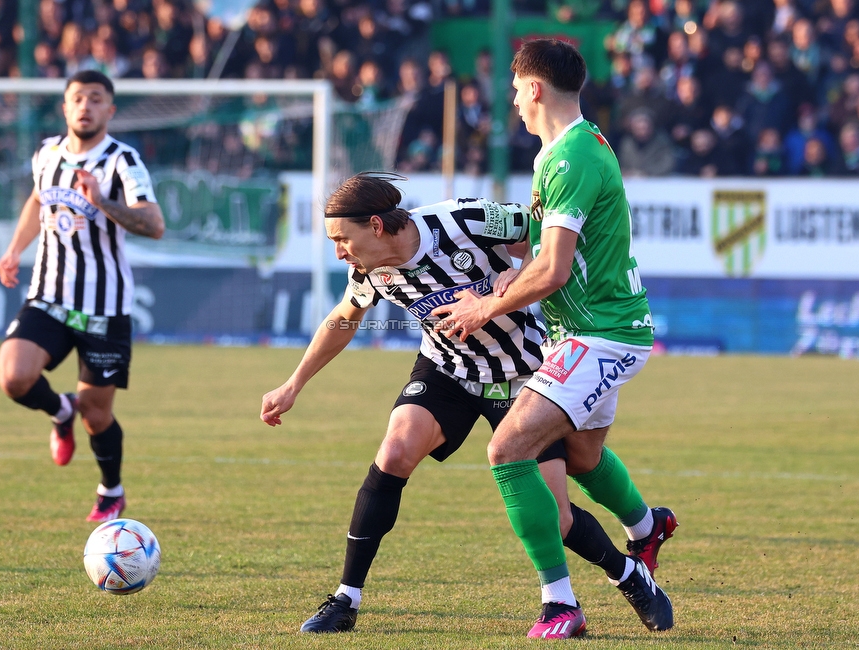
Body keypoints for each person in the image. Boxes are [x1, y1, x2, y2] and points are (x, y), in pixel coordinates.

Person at [260, 172, 672, 635]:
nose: (338, 250)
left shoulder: (464, 219)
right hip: (448, 371)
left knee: (558, 512)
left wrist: (523, 267)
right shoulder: (369, 269)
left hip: (524, 371)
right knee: (394, 452)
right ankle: (345, 599)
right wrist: (293, 384)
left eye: (342, 238)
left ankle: (628, 573)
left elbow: (543, 231)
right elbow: (343, 317)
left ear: (375, 225)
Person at [433, 39, 675, 639]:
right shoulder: (563, 153)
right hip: (595, 330)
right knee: (583, 457)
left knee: (507, 448)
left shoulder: (570, 160)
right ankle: (647, 528)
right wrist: (497, 274)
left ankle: (559, 603)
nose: (513, 101)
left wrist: (485, 308)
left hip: (599, 334)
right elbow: (540, 256)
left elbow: (555, 272)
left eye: (516, 89)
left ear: (535, 88)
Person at [0, 70, 165, 523]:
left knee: (97, 413)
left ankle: (111, 489)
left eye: (96, 98)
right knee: (13, 377)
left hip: (104, 308)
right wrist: (14, 250)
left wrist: (102, 201)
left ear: (110, 109)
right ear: (65, 108)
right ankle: (58, 408)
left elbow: (154, 224)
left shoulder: (123, 160)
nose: (85, 106)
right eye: (77, 98)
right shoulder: (47, 153)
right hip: (47, 296)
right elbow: (37, 201)